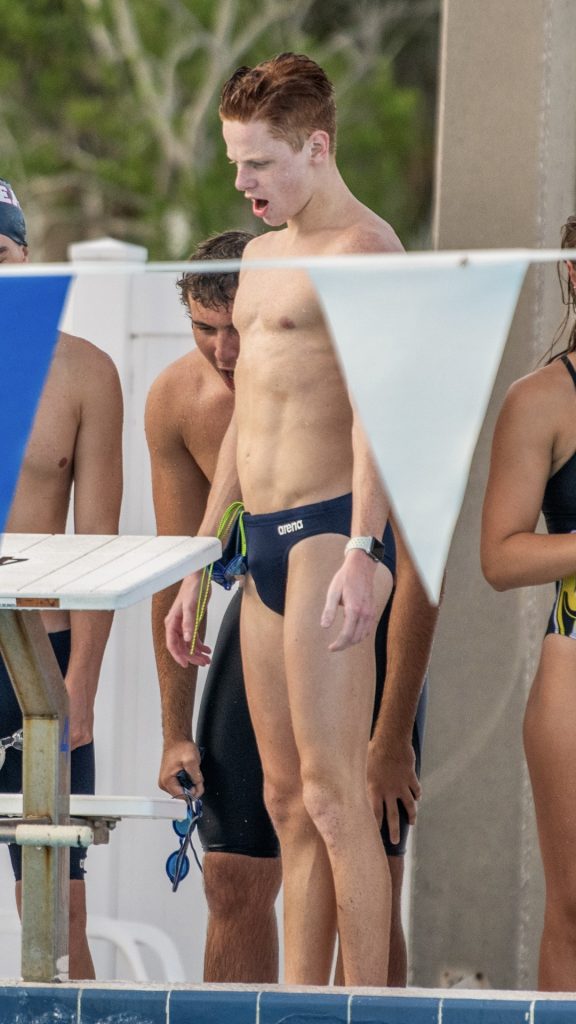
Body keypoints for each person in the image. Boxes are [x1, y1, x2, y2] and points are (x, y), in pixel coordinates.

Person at [165, 54, 438, 986]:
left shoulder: (365, 251)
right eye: (236, 163)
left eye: (261, 164)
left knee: (334, 798)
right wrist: (202, 560)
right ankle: (299, 1001)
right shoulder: (260, 259)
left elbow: (380, 417)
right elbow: (248, 420)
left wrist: (365, 548)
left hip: (331, 532)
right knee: (286, 802)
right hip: (263, 542)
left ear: (317, 148)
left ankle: (363, 1007)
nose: (243, 183)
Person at [0, 178, 123, 979]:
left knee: (57, 902)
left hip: (39, 661)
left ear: (27, 258)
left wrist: (83, 681)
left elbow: (101, 547)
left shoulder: (85, 373)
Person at [481, 215, 576, 991]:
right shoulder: (542, 399)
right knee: (574, 911)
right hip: (573, 670)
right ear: (573, 274)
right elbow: (501, 556)